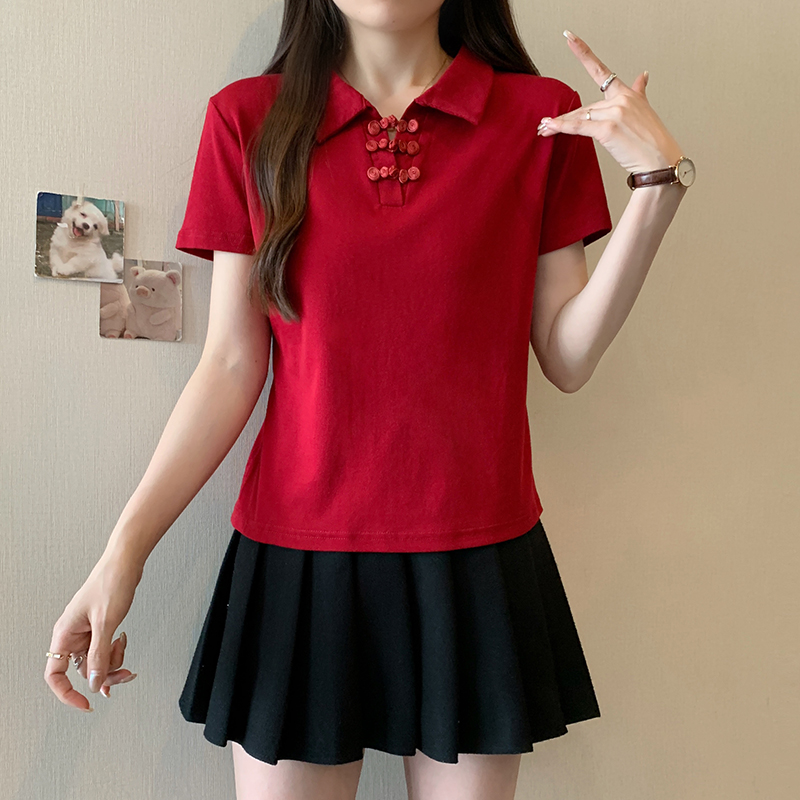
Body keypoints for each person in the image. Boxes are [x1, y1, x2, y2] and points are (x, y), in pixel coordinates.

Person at [45, 1, 693, 797]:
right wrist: (124, 555)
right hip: (296, 559)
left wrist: (656, 188)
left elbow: (566, 357)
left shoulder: (541, 116)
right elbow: (230, 366)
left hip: (476, 556)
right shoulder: (248, 118)